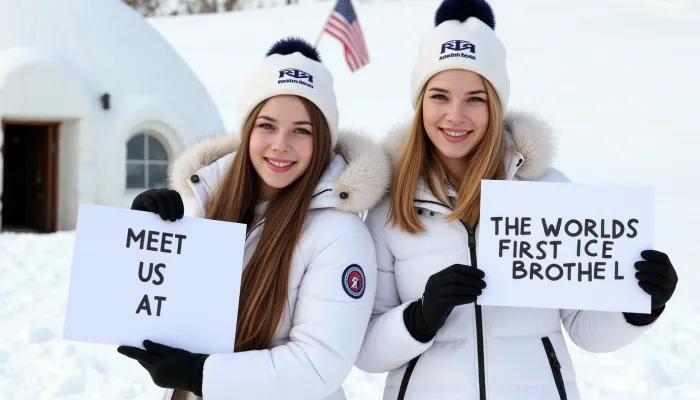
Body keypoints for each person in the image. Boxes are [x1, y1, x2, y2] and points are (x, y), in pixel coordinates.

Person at [354, 1, 679, 399]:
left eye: (475, 99)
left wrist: (640, 304)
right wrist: (420, 317)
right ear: (420, 102)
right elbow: (366, 351)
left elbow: (585, 328)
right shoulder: (390, 207)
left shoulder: (547, 192)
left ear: (496, 105)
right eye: (439, 96)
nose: (455, 114)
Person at [117, 37, 391, 400]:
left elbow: (318, 366)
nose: (281, 143)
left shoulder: (340, 234)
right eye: (267, 125)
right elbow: (152, 319)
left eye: (301, 130)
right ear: (247, 131)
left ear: (322, 139)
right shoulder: (206, 209)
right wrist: (146, 238)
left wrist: (200, 374)